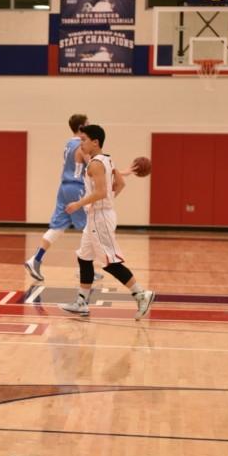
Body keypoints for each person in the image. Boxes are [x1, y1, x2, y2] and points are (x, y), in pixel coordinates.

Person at [58, 124, 154, 319]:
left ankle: (141, 294)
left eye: (84, 140)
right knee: (84, 257)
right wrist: (106, 202)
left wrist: (79, 204)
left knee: (110, 262)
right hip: (98, 215)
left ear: (95, 142)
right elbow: (120, 184)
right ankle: (82, 302)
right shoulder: (106, 160)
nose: (81, 143)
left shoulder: (95, 164)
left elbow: (101, 192)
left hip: (100, 218)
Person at [25, 113, 101, 282]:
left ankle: (35, 260)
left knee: (57, 227)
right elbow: (93, 168)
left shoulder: (68, 143)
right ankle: (84, 269)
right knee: (89, 228)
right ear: (81, 128)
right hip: (77, 189)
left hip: (64, 188)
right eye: (88, 125)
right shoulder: (82, 147)